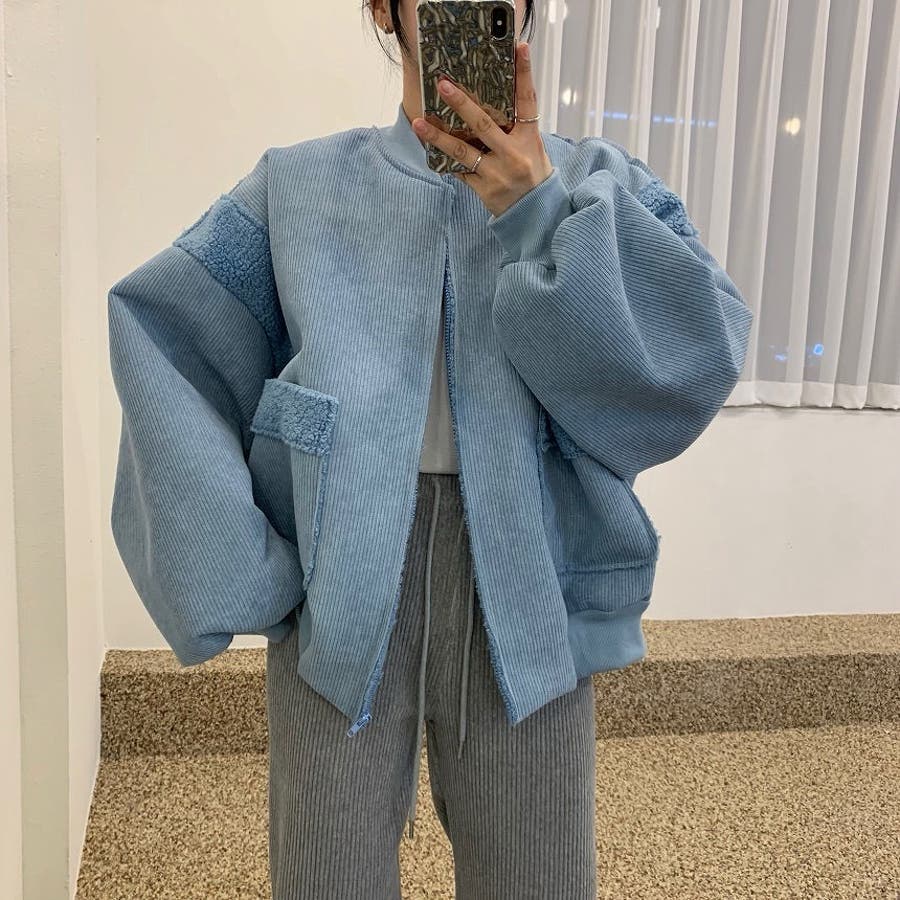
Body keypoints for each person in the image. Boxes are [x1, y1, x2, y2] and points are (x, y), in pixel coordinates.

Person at [106, 1, 753, 896]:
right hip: (340, 578)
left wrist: (541, 213)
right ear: (384, 7)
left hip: (531, 577)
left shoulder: (596, 185)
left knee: (536, 874)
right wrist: (246, 565)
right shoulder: (297, 190)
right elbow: (163, 336)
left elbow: (697, 352)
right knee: (327, 874)